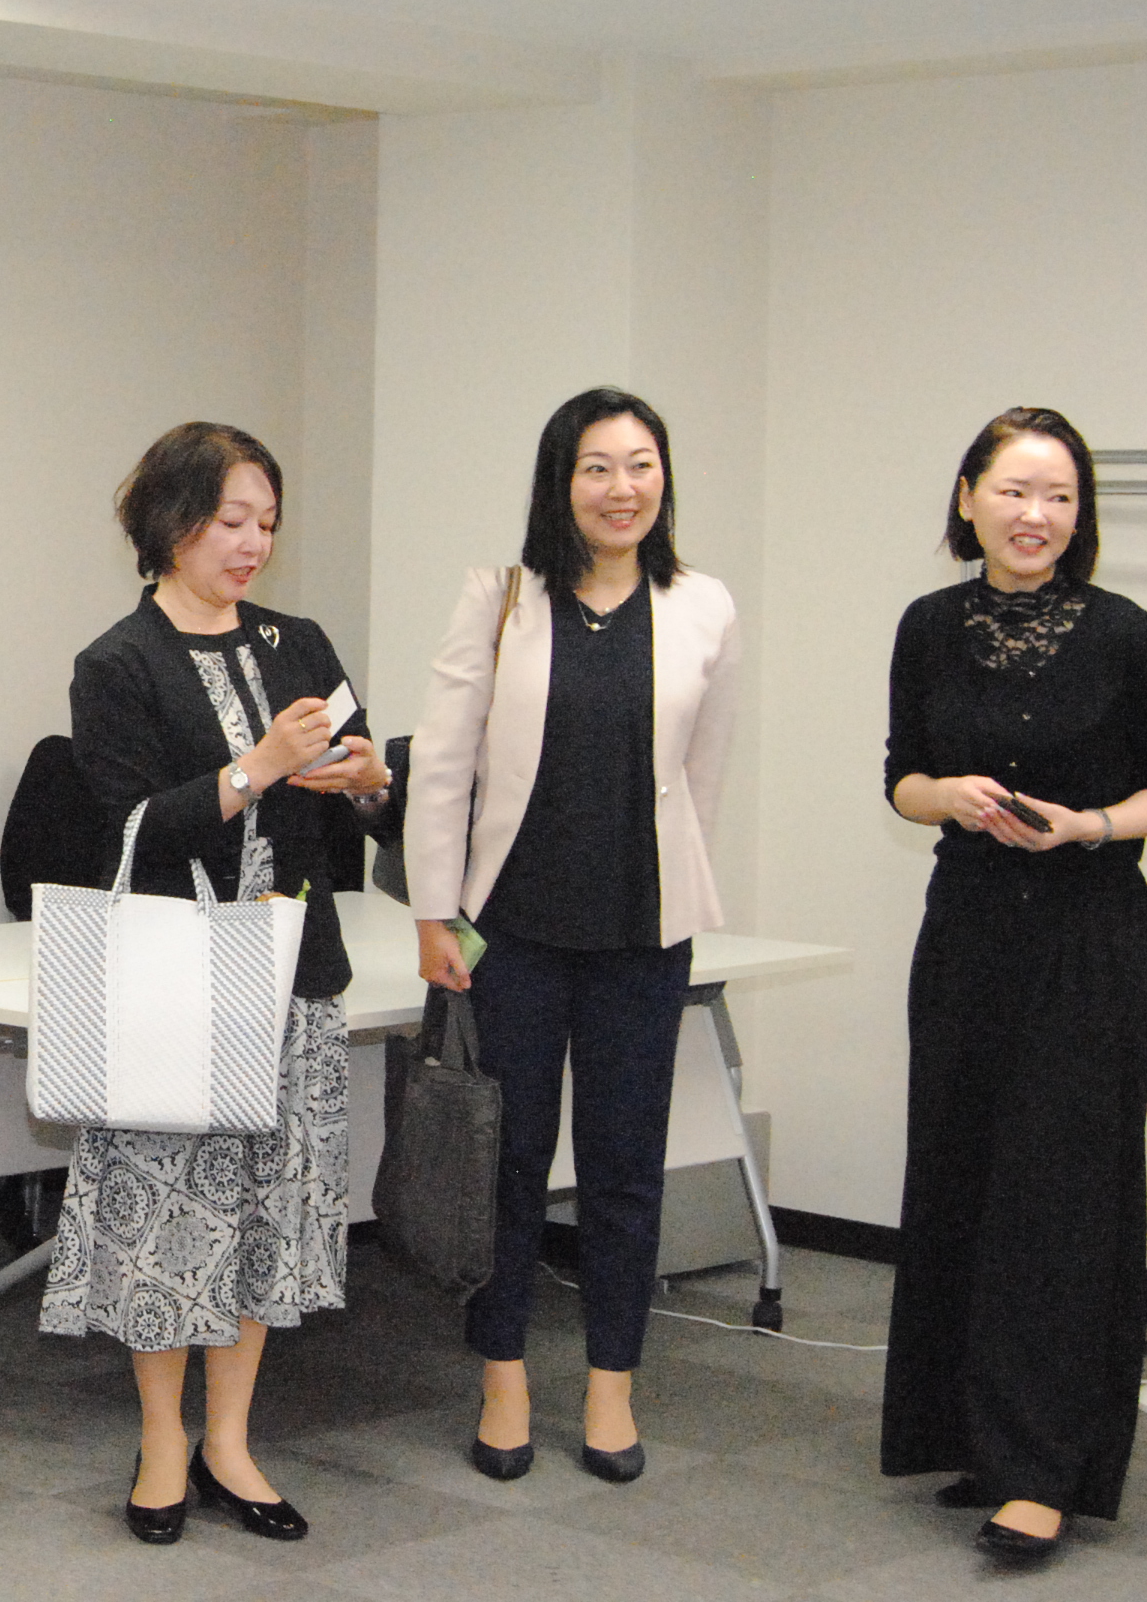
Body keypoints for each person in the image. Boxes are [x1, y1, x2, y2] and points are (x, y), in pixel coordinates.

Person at [39, 421, 393, 1548]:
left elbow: (370, 799)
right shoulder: (117, 663)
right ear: (171, 521)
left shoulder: (300, 642)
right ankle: (161, 1441)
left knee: (266, 1216)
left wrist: (367, 779)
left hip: (292, 975)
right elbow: (128, 830)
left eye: (267, 524)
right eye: (231, 521)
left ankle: (231, 1442)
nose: (252, 545)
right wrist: (259, 767)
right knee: (169, 1220)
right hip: (175, 984)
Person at [404, 385, 739, 1486]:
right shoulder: (500, 598)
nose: (621, 488)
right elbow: (442, 764)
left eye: (641, 465)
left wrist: (686, 895)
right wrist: (434, 910)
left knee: (624, 1167)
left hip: (642, 935)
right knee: (505, 1160)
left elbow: (702, 779)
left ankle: (610, 1385)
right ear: (561, 483)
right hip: (511, 932)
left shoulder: (702, 605)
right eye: (597, 467)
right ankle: (502, 1374)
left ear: (664, 480)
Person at [878, 407, 1147, 1563]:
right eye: (1013, 491)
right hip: (966, 926)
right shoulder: (927, 627)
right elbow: (900, 778)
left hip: (1085, 932)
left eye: (1058, 496)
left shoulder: (1126, 635)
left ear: (1079, 514)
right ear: (967, 498)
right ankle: (973, 1438)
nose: (1035, 515)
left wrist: (1088, 824)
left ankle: (1043, 1469)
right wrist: (950, 797)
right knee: (961, 1169)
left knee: (1057, 1194)